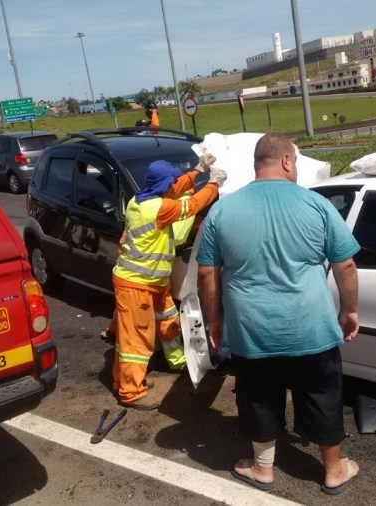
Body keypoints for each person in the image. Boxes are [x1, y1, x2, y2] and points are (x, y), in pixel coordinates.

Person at [196, 133, 361, 495]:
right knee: (322, 393)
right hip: (312, 327)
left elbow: (207, 273)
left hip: (251, 331)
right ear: (286, 160)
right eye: (296, 162)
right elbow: (346, 265)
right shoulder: (317, 205)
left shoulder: (222, 210)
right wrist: (349, 311)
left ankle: (262, 468)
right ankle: (334, 470)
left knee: (257, 394)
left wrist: (216, 319)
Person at [109, 155, 227, 410]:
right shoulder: (159, 209)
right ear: (163, 184)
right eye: (171, 180)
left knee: (168, 320)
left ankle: (147, 373)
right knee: (135, 341)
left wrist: (198, 170)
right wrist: (214, 184)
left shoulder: (139, 200)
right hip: (136, 285)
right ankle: (131, 392)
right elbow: (193, 205)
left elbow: (175, 188)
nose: (174, 184)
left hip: (151, 282)